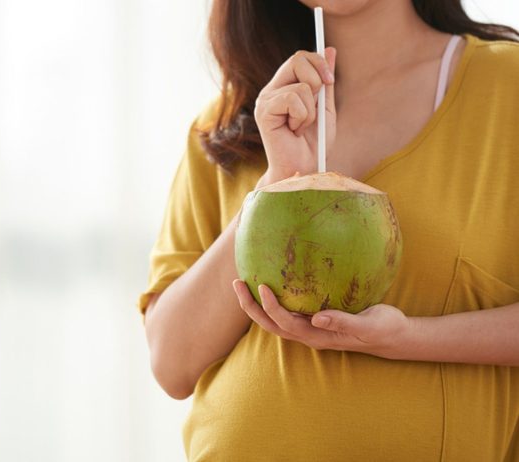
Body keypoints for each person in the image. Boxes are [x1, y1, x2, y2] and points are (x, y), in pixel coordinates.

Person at [139, 1, 519, 460]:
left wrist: (407, 338)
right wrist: (278, 181)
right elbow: (171, 363)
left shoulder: (506, 88)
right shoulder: (229, 123)